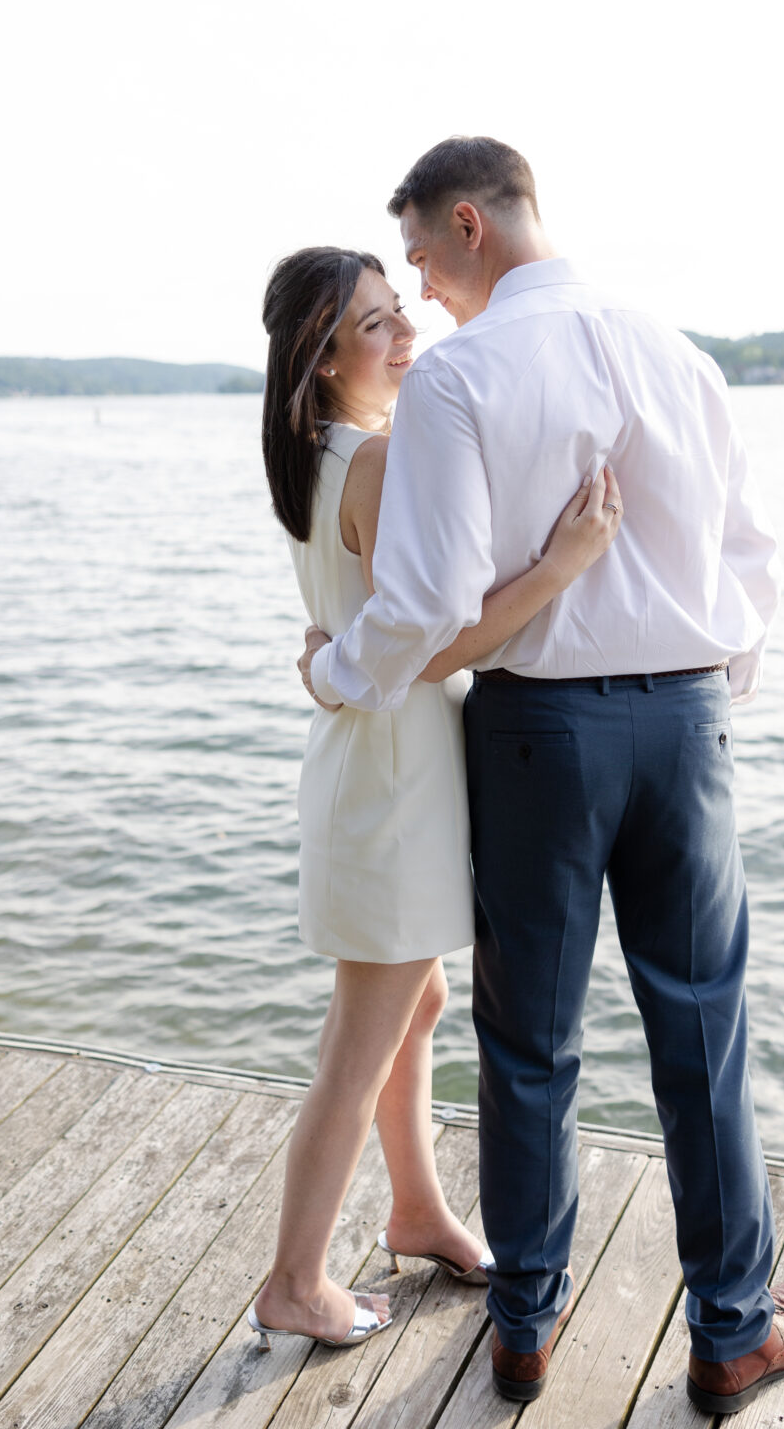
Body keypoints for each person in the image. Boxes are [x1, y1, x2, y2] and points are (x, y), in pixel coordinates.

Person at [298, 140, 784, 1413]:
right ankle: (733, 1331)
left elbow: (423, 600)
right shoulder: (676, 352)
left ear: (467, 221)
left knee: (527, 1042)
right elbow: (751, 557)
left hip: (535, 732)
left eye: (419, 253)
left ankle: (523, 1326)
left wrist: (334, 668)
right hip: (686, 724)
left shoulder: (462, 377)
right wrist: (701, 691)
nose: (418, 285)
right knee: (701, 1033)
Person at [248, 245, 621, 1352]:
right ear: (321, 363)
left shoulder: (320, 455)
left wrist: (325, 663)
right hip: (396, 776)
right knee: (357, 1045)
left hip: (371, 763)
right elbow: (432, 641)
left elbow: (366, 641)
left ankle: (415, 1209)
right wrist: (561, 567)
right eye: (372, 325)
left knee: (415, 1008)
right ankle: (294, 1280)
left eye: (397, 309)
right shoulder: (373, 463)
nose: (405, 332)